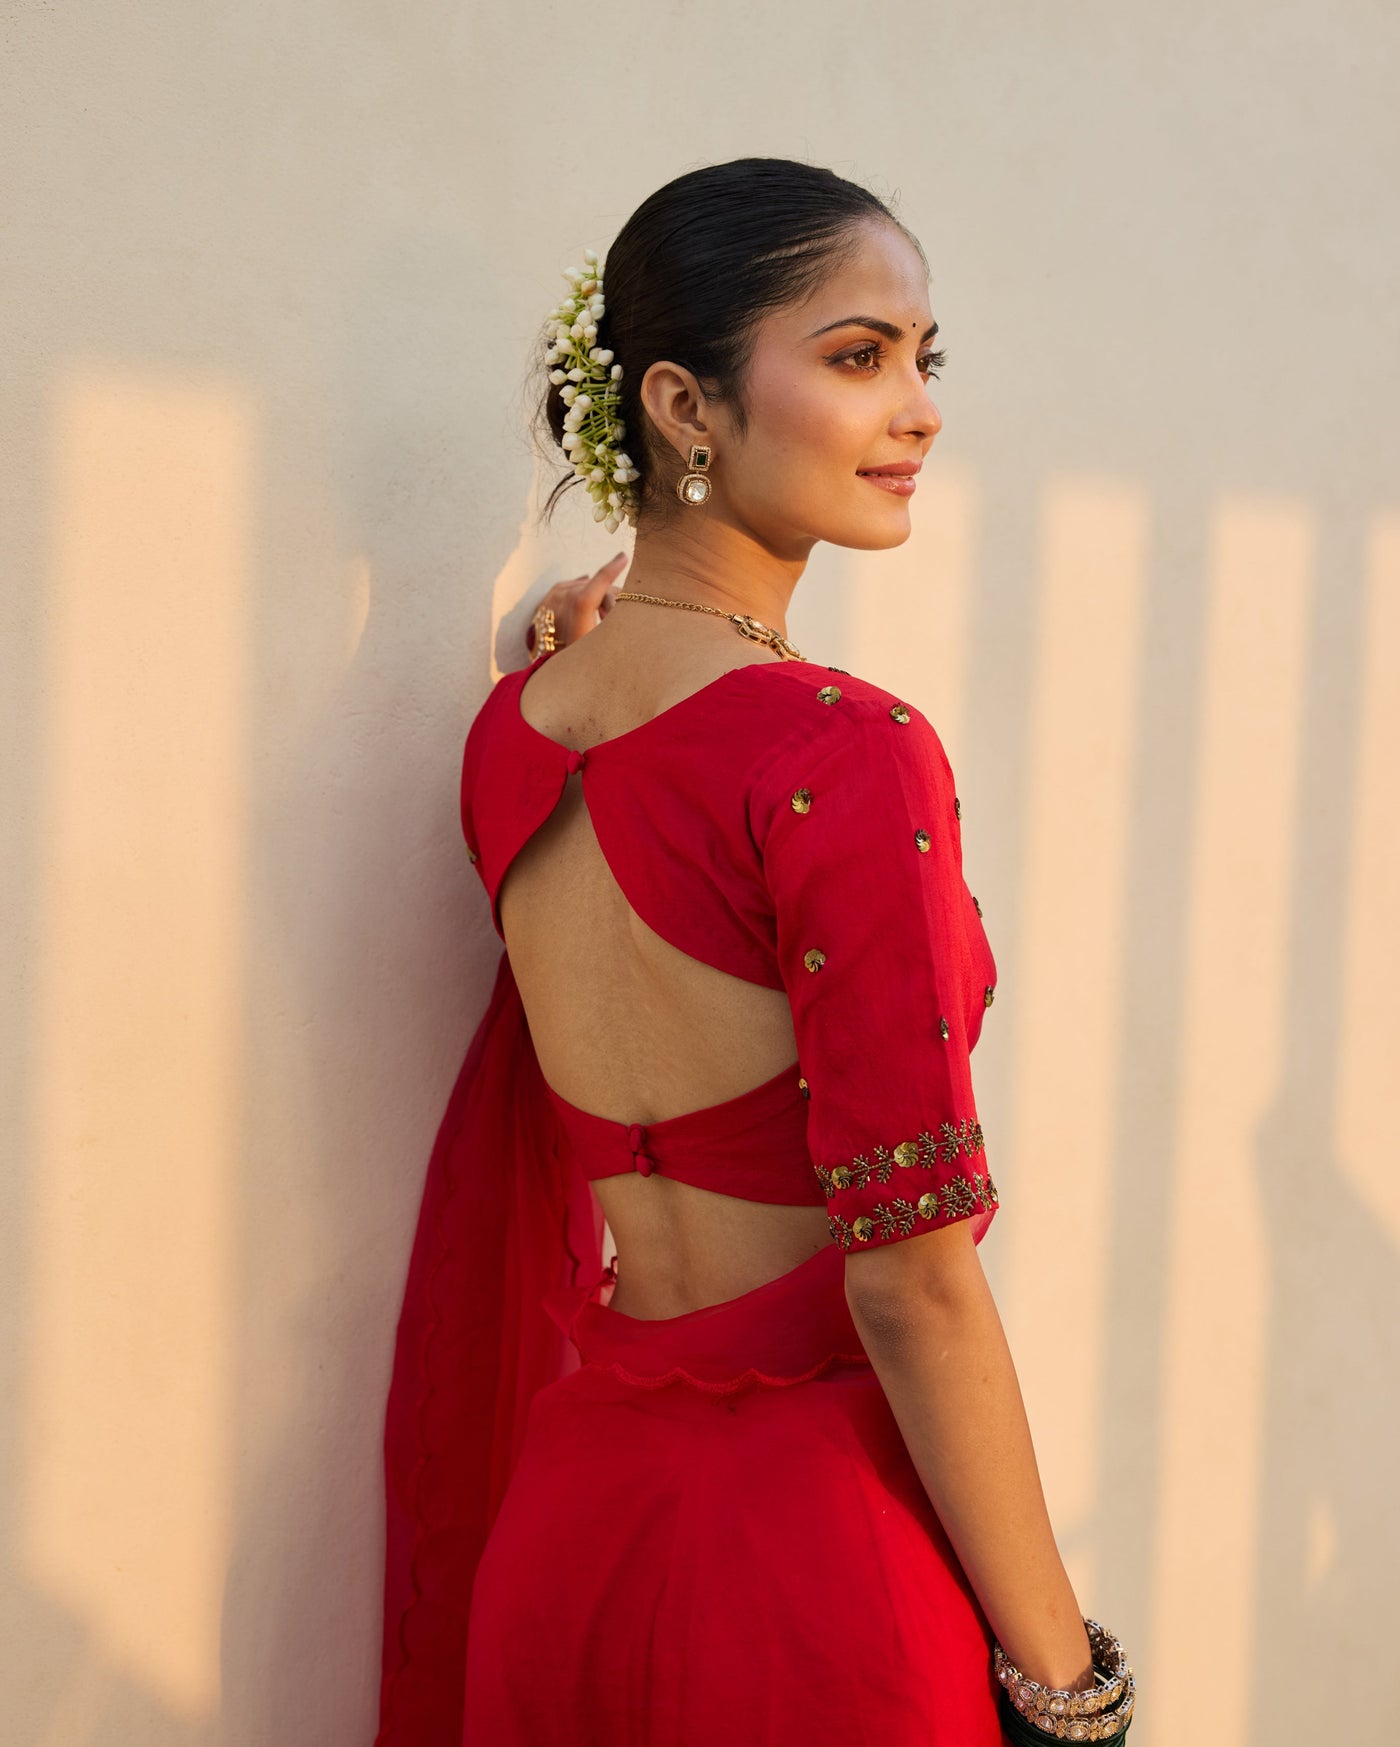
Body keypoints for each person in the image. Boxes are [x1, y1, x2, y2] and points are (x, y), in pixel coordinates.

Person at [371, 157, 1136, 1746]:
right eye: (858, 357)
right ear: (680, 403)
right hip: (818, 1571)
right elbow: (915, 1286)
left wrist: (571, 641)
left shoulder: (515, 734)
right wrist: (1067, 1683)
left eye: (928, 359)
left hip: (571, 1535)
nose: (917, 408)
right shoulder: (842, 753)